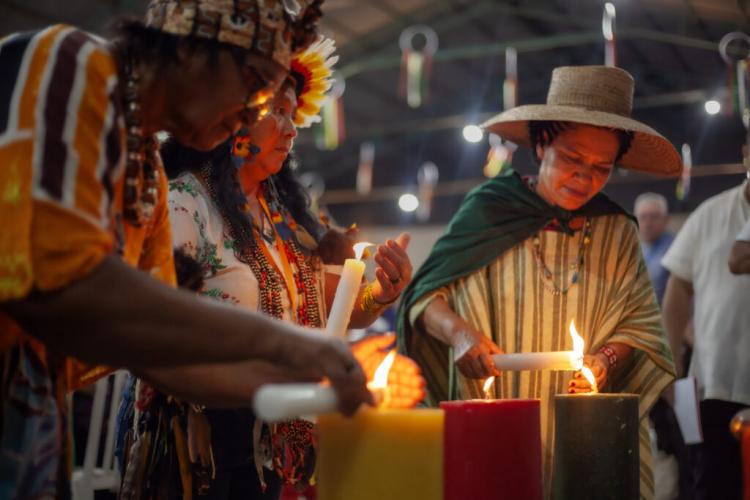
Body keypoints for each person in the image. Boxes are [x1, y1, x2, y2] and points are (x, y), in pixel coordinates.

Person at [0, 2, 374, 497]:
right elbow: (64, 282)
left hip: (34, 414)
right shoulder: (68, 63)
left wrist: (306, 390)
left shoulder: (148, 178)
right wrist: (289, 345)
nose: (251, 114)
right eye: (256, 85)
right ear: (198, 48)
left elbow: (159, 355)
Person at [119, 39, 423, 498]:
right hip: (206, 441)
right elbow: (158, 328)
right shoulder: (184, 202)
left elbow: (332, 306)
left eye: (292, 114)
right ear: (231, 115)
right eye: (276, 111)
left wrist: (379, 292)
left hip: (281, 437)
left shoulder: (281, 213)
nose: (291, 129)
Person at [397, 65, 678, 499]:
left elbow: (641, 325)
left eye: (602, 168)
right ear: (542, 143)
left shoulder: (617, 230)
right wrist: (459, 334)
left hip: (589, 436)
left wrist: (603, 361)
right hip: (497, 425)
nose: (584, 178)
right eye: (572, 158)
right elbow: (423, 297)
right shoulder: (489, 210)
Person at [662, 173, 750, 500]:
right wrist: (670, 360)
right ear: (746, 153)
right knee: (713, 485)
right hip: (716, 381)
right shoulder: (710, 213)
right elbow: (678, 287)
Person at [634, 193, 674, 304]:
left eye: (654, 217)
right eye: (643, 217)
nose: (648, 223)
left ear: (666, 220)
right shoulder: (634, 248)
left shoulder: (674, 249)